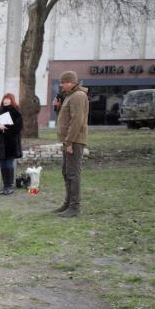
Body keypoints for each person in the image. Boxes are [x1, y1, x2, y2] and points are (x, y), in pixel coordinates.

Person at [54, 71, 89, 217]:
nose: (61, 85)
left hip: (73, 141)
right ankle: (68, 203)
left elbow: (77, 121)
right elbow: (65, 118)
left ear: (71, 82)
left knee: (73, 174)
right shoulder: (70, 96)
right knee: (66, 172)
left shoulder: (78, 96)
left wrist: (69, 142)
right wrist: (57, 107)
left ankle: (75, 207)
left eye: (63, 82)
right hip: (68, 140)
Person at [0, 94, 23, 195]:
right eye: (4, 99)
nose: (6, 101)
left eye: (8, 99)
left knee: (9, 165)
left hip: (11, 144)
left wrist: (7, 128)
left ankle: (10, 186)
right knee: (3, 166)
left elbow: (19, 128)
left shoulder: (16, 113)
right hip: (1, 144)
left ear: (12, 100)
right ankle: (5, 186)